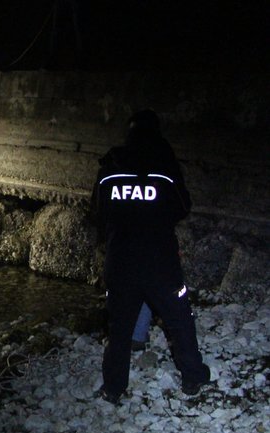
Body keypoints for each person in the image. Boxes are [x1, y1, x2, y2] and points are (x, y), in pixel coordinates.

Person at [92, 109, 210, 404]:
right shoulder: (163, 167)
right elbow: (183, 206)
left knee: (119, 329)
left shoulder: (111, 166)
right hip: (160, 262)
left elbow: (96, 210)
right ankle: (193, 377)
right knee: (179, 319)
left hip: (120, 261)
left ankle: (113, 388)